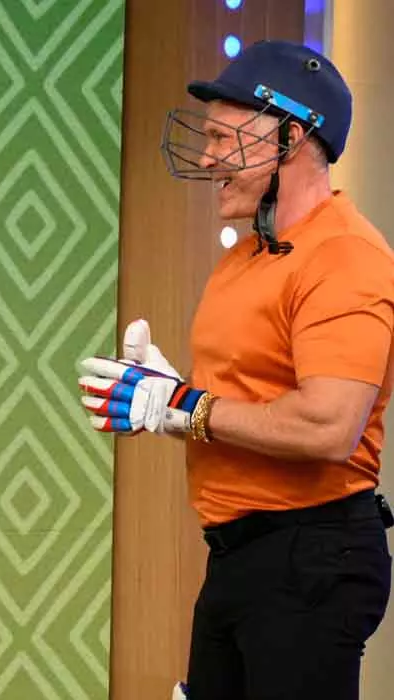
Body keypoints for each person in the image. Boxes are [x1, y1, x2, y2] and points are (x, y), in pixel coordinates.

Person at [78, 40, 394, 699]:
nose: (207, 157)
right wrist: (167, 405)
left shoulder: (344, 256)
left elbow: (328, 427)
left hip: (310, 558)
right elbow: (245, 407)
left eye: (224, 138)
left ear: (292, 138)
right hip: (240, 557)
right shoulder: (248, 256)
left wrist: (186, 406)